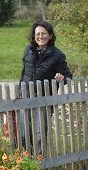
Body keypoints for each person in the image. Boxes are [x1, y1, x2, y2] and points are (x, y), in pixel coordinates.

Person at [19, 20, 72, 153]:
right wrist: (19, 94)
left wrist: (62, 78)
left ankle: (38, 161)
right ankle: (24, 161)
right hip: (25, 98)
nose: (40, 37)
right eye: (38, 34)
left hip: (43, 102)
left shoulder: (57, 55)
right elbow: (24, 72)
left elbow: (68, 77)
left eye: (44, 33)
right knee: (24, 132)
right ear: (33, 35)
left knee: (39, 134)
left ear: (50, 36)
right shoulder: (28, 50)